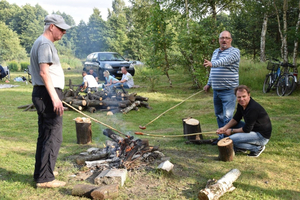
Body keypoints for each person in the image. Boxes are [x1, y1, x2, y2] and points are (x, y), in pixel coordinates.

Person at [29, 14, 71, 188]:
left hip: (43, 93)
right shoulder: (45, 44)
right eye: (61, 29)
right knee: (53, 136)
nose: (64, 32)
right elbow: (44, 72)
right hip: (47, 94)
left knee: (46, 135)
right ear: (51, 27)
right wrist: (55, 98)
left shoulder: (42, 42)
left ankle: (43, 171)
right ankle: (45, 178)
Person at [203, 31, 240, 141]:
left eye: (227, 38)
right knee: (219, 115)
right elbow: (213, 70)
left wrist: (212, 64)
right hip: (216, 90)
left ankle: (227, 140)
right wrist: (209, 83)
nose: (224, 40)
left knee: (228, 117)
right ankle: (221, 137)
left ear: (231, 40)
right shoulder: (215, 52)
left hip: (229, 90)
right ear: (219, 40)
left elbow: (225, 61)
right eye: (222, 38)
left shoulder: (235, 52)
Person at [216, 85, 272, 157]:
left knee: (231, 140)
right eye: (239, 97)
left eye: (244, 96)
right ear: (236, 97)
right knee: (229, 124)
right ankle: (242, 147)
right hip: (252, 129)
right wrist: (224, 128)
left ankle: (257, 148)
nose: (241, 99)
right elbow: (236, 119)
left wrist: (231, 131)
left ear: (249, 95)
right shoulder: (241, 105)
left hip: (261, 136)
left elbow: (247, 129)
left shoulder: (253, 108)